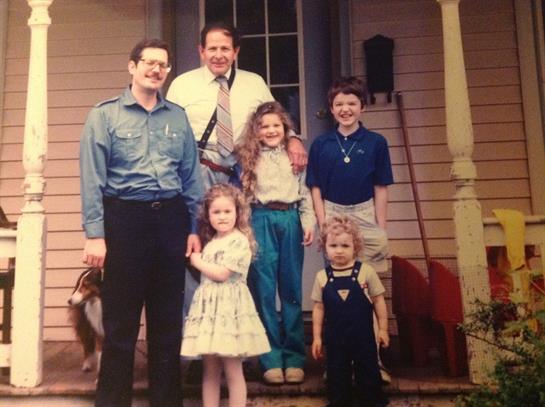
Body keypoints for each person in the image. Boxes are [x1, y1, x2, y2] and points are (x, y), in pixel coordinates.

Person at [166, 21, 307, 362]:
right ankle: (201, 352)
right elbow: (168, 130)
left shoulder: (254, 83)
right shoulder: (183, 85)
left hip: (242, 175)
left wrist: (294, 139)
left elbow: (276, 119)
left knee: (244, 255)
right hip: (199, 173)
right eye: (211, 48)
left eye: (225, 49)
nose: (218, 54)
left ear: (236, 52)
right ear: (201, 51)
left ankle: (248, 349)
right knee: (199, 251)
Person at [80, 38, 203, 407]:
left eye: (162, 65)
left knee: (167, 324)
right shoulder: (104, 115)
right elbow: (92, 180)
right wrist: (95, 235)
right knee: (121, 325)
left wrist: (194, 229)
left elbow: (191, 177)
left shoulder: (177, 117)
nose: (156, 69)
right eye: (148, 62)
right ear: (131, 66)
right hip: (124, 222)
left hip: (170, 221)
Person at [306, 76, 394, 383]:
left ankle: (374, 361)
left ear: (363, 107)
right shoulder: (322, 144)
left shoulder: (375, 143)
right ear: (331, 108)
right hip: (333, 213)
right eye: (339, 104)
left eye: (352, 103)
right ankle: (338, 363)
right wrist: (322, 222)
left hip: (365, 212)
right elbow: (314, 187)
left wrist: (379, 227)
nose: (345, 109)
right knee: (338, 294)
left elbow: (381, 187)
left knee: (365, 291)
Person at [236, 101, 315, 384]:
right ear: (255, 132)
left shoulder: (294, 156)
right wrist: (245, 232)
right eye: (264, 126)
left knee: (291, 288)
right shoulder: (248, 158)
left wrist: (308, 223)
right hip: (260, 220)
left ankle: (294, 357)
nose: (270, 130)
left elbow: (304, 191)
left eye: (276, 126)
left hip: (289, 218)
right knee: (265, 291)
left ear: (286, 129)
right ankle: (270, 358)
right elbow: (243, 199)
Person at [181, 183, 270, 407]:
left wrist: (197, 260)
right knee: (210, 371)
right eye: (216, 212)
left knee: (232, 369)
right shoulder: (212, 242)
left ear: (238, 213)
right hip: (210, 314)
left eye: (227, 211)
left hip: (230, 313)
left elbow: (222, 274)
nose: (222, 217)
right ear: (207, 215)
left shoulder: (239, 240)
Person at [311, 215, 389, 407]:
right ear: (324, 247)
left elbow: (379, 301)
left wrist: (383, 329)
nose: (339, 251)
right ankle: (339, 401)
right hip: (336, 337)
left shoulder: (366, 272)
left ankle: (371, 400)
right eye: (333, 245)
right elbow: (318, 308)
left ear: (356, 247)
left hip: (363, 335)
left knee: (368, 368)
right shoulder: (322, 277)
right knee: (337, 369)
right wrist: (317, 337)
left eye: (345, 246)